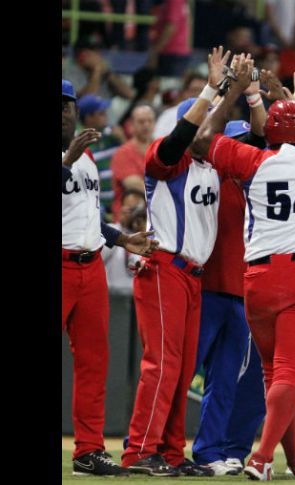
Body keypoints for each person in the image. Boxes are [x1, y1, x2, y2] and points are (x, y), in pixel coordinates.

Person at [191, 55, 295, 482]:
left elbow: (203, 138)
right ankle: (261, 458)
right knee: (290, 373)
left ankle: (294, 459)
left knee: (274, 373)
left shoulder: (253, 161)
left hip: (257, 277)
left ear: (268, 134)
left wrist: (237, 89)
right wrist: (292, 101)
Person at [121, 46, 232, 478]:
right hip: (165, 267)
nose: (211, 128)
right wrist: (209, 89)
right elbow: (176, 141)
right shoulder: (165, 160)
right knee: (162, 364)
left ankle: (169, 451)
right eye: (203, 120)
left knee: (184, 370)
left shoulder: (211, 166)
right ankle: (139, 451)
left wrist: (232, 91)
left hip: (192, 277)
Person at [62, 79, 157, 477]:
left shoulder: (85, 159)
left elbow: (87, 216)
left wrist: (122, 238)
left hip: (89, 268)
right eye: (60, 106)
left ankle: (88, 450)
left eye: (69, 105)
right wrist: (66, 159)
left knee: (93, 363)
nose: (66, 112)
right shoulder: (74, 157)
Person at [191, 116, 269, 475]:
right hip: (206, 289)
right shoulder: (213, 177)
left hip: (241, 295)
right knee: (183, 374)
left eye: (249, 145)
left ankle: (209, 451)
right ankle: (154, 444)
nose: (246, 151)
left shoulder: (258, 187)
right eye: (238, 143)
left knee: (224, 381)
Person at [77, 93, 126, 221]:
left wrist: (122, 139)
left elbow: (130, 160)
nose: (106, 115)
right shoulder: (79, 144)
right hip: (98, 209)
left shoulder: (113, 136)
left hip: (121, 205)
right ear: (88, 118)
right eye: (101, 113)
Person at [110, 104, 155, 217]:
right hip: (128, 221)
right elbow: (137, 187)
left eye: (150, 121)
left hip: (153, 216)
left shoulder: (160, 149)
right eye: (141, 121)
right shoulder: (123, 153)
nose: (146, 125)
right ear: (131, 125)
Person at [101, 188, 147, 293]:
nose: (135, 215)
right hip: (113, 296)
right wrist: (120, 235)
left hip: (140, 297)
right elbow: (99, 257)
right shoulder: (112, 230)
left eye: (138, 210)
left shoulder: (151, 236)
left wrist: (143, 230)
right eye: (131, 210)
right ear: (121, 209)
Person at [154, 72, 208, 139]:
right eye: (194, 90)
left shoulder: (212, 115)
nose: (199, 95)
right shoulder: (168, 115)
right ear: (185, 92)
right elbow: (158, 140)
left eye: (203, 91)